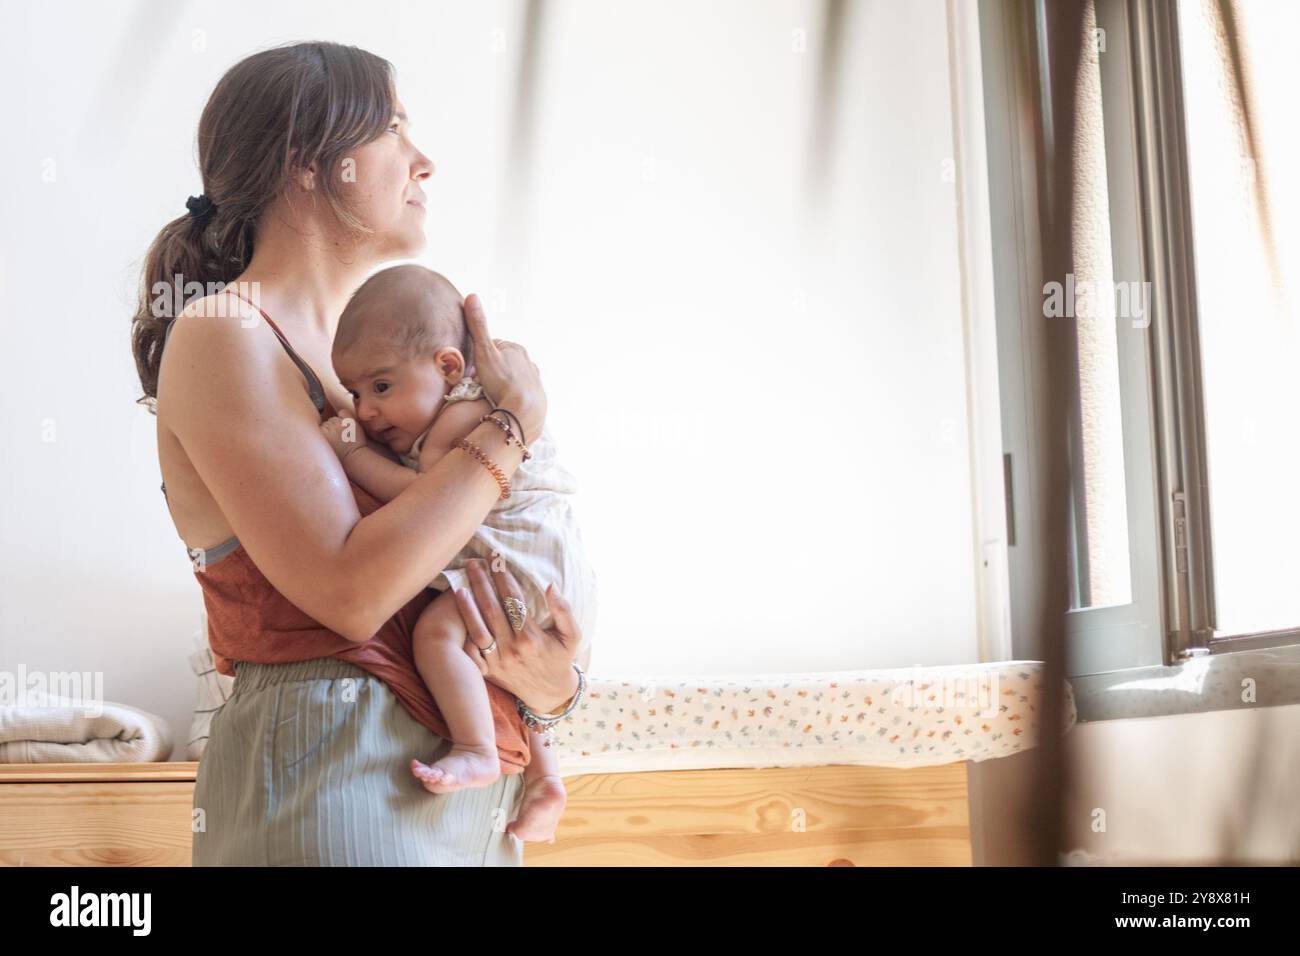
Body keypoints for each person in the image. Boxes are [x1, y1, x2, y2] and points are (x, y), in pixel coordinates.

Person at [130, 40, 585, 865]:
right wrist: (509, 429)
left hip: (456, 801)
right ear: (309, 164)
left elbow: (469, 577)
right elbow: (348, 591)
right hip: (332, 791)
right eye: (394, 128)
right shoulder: (227, 333)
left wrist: (549, 688)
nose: (425, 161)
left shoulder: (369, 380)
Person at [320, 263, 598, 843]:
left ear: (448, 367)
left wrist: (352, 457)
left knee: (439, 636)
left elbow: (424, 499)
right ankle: (546, 779)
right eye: (354, 393)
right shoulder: (465, 412)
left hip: (524, 559)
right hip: (550, 574)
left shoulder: (465, 417)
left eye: (381, 386)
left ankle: (476, 749)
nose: (367, 411)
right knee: (497, 662)